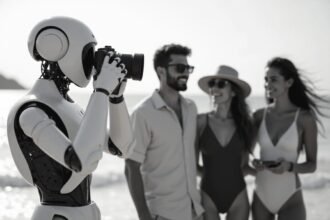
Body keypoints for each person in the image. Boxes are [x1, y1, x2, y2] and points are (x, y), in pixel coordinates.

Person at [6, 16, 134, 220]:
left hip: (85, 212)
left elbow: (122, 147)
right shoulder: (31, 111)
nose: (92, 63)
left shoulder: (69, 107)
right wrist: (100, 91)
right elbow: (81, 161)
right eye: (89, 53)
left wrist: (116, 98)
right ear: (56, 47)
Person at [124, 43, 204, 220]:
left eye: (188, 68)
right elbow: (131, 167)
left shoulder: (191, 108)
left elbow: (190, 159)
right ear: (161, 71)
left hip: (195, 211)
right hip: (163, 214)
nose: (185, 73)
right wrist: (144, 216)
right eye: (180, 68)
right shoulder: (143, 113)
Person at [251, 57, 329, 220]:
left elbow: (312, 164)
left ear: (289, 82)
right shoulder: (258, 116)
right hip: (261, 196)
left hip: (290, 198)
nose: (267, 84)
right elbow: (247, 155)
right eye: (266, 79)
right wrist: (255, 163)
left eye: (273, 79)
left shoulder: (304, 118)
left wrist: (289, 167)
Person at [196, 65, 254, 220]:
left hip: (238, 196)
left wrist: (263, 170)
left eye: (221, 84)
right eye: (212, 84)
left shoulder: (245, 125)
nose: (215, 88)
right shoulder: (200, 122)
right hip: (208, 195)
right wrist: (213, 176)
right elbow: (192, 164)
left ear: (234, 92)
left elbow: (244, 165)